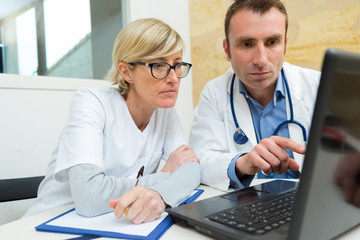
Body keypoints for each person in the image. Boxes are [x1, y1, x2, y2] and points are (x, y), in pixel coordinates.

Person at [25, 18, 200, 224]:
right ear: (126, 72)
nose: (174, 78)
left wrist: (160, 195)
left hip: (114, 224)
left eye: (177, 64)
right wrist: (164, 176)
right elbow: (89, 197)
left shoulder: (164, 110)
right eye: (159, 65)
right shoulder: (92, 102)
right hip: (50, 223)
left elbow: (192, 168)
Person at [189, 0, 321, 191]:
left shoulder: (317, 85)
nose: (261, 60)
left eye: (272, 42)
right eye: (246, 44)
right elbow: (199, 161)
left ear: (285, 44)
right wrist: (243, 163)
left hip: (311, 201)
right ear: (227, 50)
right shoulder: (214, 93)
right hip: (248, 208)